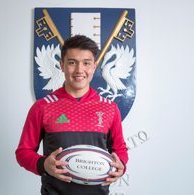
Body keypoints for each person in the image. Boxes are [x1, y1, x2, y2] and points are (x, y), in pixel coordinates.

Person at [15, 35, 128, 195]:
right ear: (62, 65)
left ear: (94, 66)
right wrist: (43, 165)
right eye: (72, 62)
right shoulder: (42, 107)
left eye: (86, 63)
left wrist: (121, 165)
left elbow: (119, 149)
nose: (79, 70)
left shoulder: (109, 107)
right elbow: (23, 152)